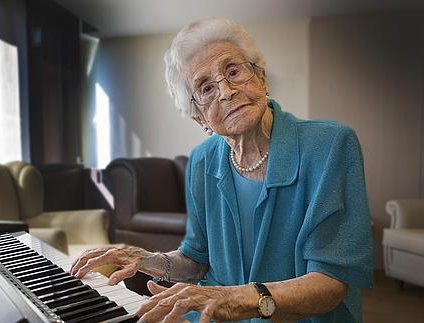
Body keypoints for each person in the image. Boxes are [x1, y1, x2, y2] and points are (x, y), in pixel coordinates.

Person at [71, 17, 373, 322]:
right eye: (205, 88)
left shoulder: (330, 146)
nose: (226, 91)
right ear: (199, 117)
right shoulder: (202, 161)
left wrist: (233, 298)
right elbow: (196, 259)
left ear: (261, 78)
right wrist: (145, 259)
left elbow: (330, 282)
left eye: (233, 71)